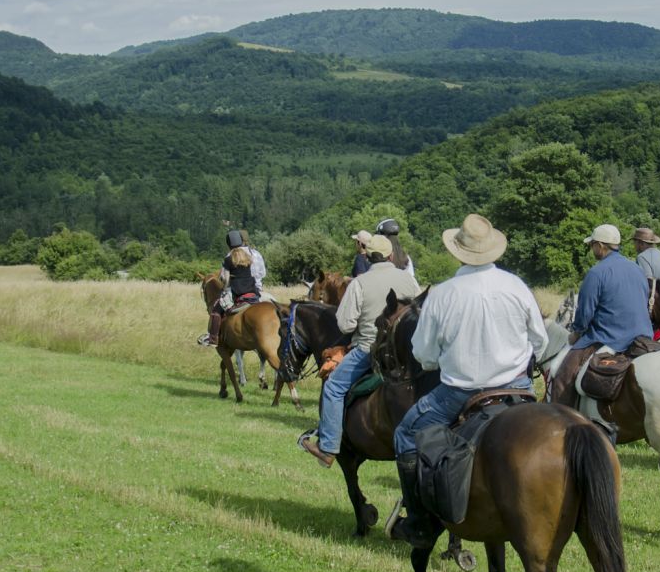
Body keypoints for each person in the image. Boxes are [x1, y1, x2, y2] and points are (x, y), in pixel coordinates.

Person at [387, 214, 547, 545]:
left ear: (457, 251)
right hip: (519, 390)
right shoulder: (516, 285)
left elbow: (423, 353)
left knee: (405, 432)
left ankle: (418, 521)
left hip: (459, 394)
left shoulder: (443, 294)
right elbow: (540, 341)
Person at [298, 234, 419, 467]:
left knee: (333, 387)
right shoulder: (408, 279)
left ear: (368, 256)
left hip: (369, 350)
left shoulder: (359, 283)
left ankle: (329, 446)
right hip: (407, 351)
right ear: (391, 256)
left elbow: (345, 325)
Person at [552, 223, 654, 401]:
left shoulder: (596, 273)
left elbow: (584, 315)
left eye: (592, 245)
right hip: (643, 337)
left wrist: (576, 333)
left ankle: (562, 419)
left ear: (599, 246)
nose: (592, 249)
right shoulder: (638, 270)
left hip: (610, 338)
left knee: (562, 375)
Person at [198, 228, 269, 346]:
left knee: (216, 309)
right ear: (241, 240)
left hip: (237, 291)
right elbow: (259, 273)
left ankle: (213, 339)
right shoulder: (249, 255)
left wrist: (225, 287)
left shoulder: (229, 258)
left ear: (228, 243)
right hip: (253, 290)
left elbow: (225, 279)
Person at [631, 226, 660, 322]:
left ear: (640, 243)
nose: (634, 245)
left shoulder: (641, 257)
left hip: (653, 304)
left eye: (635, 242)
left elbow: (646, 283)